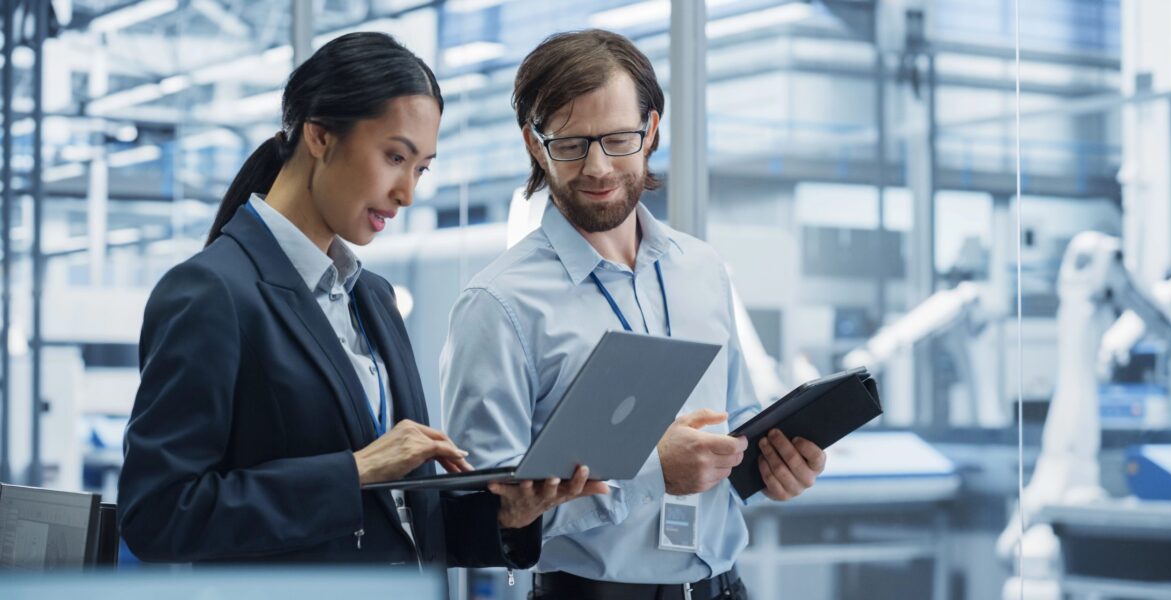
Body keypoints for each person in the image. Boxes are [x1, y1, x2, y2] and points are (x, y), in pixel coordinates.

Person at [117, 32, 604, 571]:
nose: (407, 193)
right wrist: (355, 471)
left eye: (421, 168)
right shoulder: (210, 293)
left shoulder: (372, 297)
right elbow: (158, 514)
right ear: (320, 136)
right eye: (395, 156)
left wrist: (510, 514)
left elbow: (394, 523)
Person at [440, 29, 828, 599]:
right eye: (571, 145)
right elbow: (482, 512)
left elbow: (737, 421)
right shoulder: (498, 304)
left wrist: (776, 467)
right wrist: (650, 474)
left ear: (651, 131)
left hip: (724, 589)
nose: (598, 168)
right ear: (534, 145)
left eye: (618, 139)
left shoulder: (702, 269)